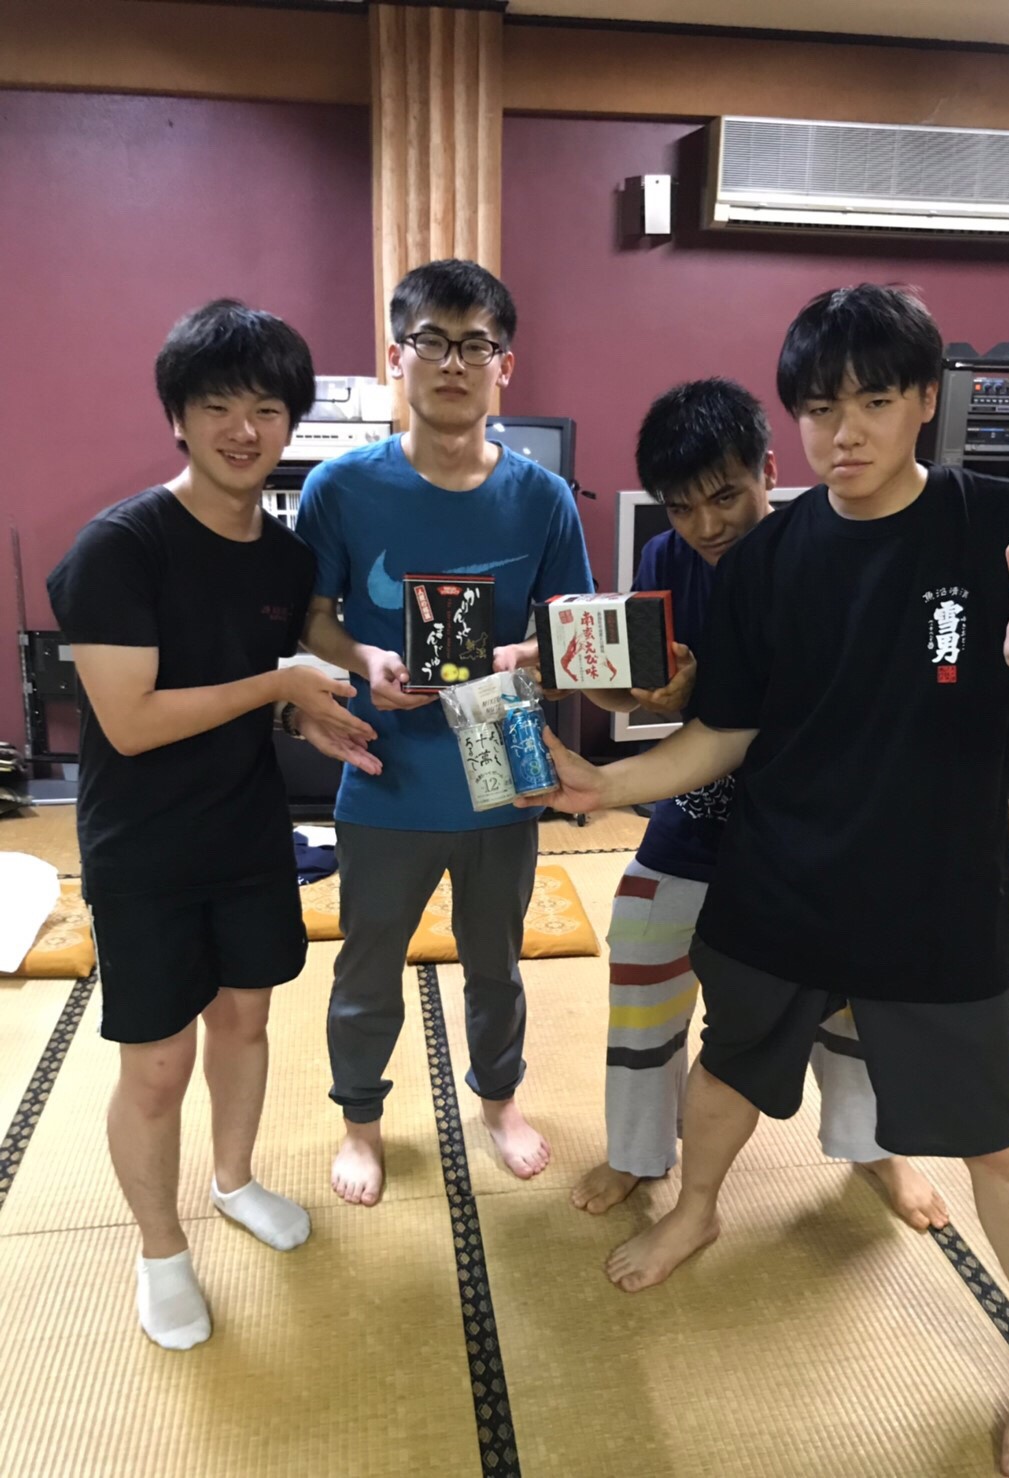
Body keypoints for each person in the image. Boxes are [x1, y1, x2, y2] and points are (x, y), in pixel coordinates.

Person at [522, 286, 1009, 1478]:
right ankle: (696, 1207)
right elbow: (724, 732)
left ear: (924, 399)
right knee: (730, 1065)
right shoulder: (765, 560)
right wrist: (605, 786)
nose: (844, 430)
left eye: (873, 400)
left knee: (993, 1135)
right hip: (777, 878)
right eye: (819, 406)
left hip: (933, 895)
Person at [47, 299, 379, 1351]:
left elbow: (244, 685)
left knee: (245, 1022)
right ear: (177, 418)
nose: (245, 429)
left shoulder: (283, 560)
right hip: (142, 848)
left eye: (267, 408)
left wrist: (304, 713)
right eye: (218, 406)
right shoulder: (120, 547)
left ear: (291, 424)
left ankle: (234, 1180)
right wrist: (279, 683)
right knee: (156, 1065)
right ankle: (160, 1250)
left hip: (246, 833)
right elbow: (132, 721)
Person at [572, 377, 947, 1234]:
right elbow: (644, 698)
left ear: (769, 470)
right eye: (681, 508)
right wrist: (639, 694)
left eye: (725, 496)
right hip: (696, 820)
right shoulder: (666, 561)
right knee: (640, 956)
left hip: (811, 840)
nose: (705, 526)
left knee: (851, 996)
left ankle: (873, 1144)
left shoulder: (827, 549)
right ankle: (637, 1150)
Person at [294, 259, 593, 1206]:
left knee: (497, 962)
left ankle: (499, 1101)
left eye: (476, 345)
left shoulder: (543, 498)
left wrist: (517, 655)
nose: (454, 363)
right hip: (385, 771)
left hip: (504, 762)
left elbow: (573, 632)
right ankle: (360, 1120)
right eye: (433, 341)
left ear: (506, 364)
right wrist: (364, 660)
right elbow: (311, 617)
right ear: (398, 355)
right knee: (368, 962)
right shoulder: (340, 488)